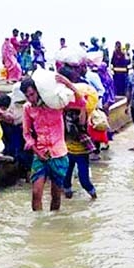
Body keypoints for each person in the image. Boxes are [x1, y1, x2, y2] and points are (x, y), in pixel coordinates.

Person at [21, 77, 78, 211]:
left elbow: (79, 100)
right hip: (40, 153)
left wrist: (66, 81)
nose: (30, 98)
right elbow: (27, 133)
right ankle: (38, 227)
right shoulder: (28, 108)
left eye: (32, 94)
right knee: (36, 193)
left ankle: (53, 224)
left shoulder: (55, 104)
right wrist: (36, 150)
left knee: (56, 195)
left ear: (38, 91)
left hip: (59, 154)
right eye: (27, 96)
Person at [56, 66, 97, 200]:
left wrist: (68, 84)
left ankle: (94, 197)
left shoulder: (82, 109)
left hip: (81, 150)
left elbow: (82, 108)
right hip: (67, 149)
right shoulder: (62, 107)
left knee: (84, 180)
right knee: (66, 180)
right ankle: (67, 208)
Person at [0, 93, 32, 173]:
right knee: (11, 149)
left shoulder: (29, 102)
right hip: (8, 128)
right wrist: (4, 117)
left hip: (22, 127)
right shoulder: (3, 102)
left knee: (23, 149)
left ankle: (24, 170)